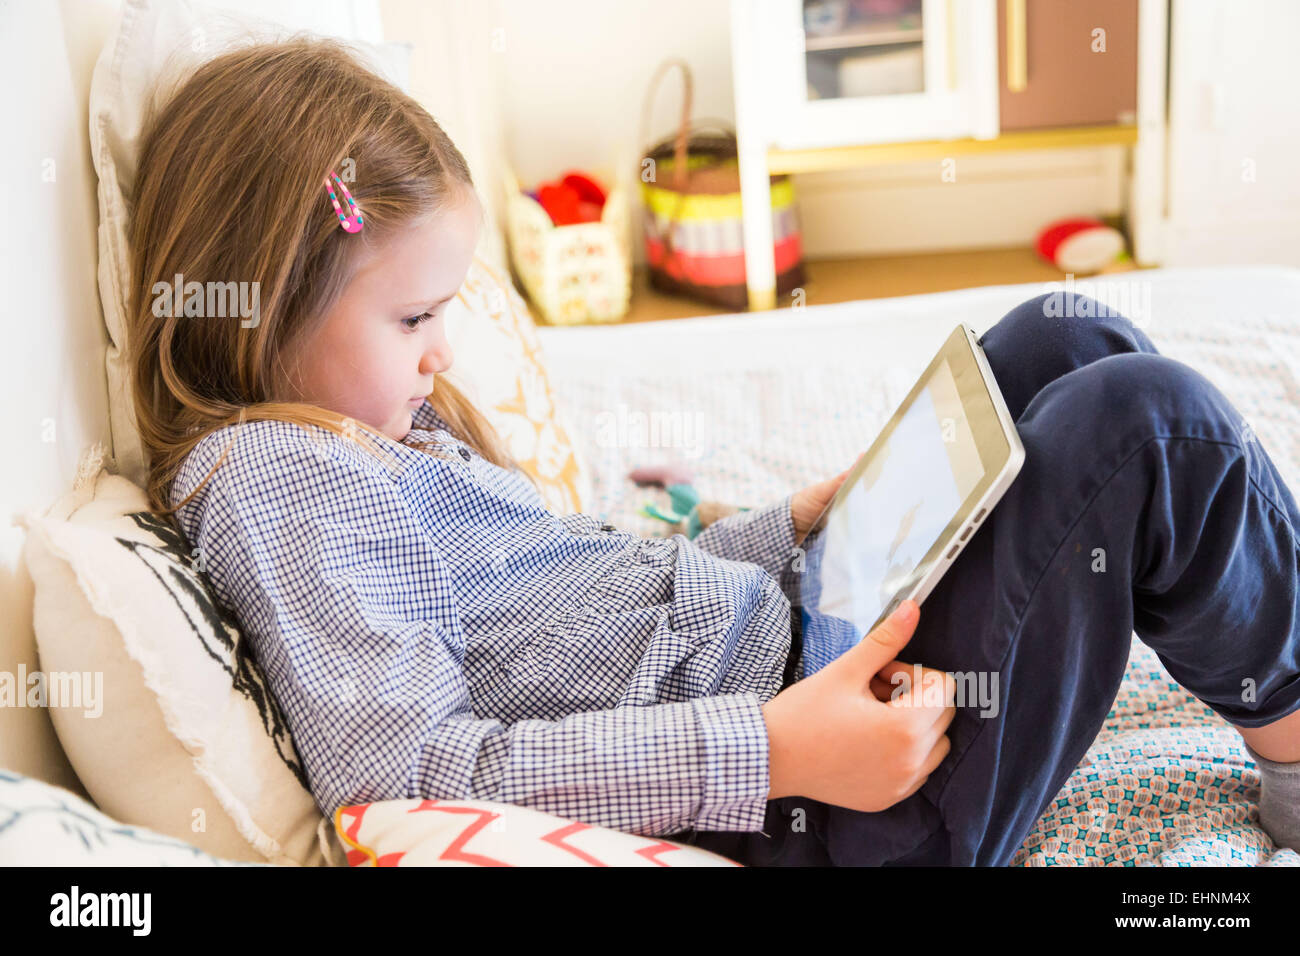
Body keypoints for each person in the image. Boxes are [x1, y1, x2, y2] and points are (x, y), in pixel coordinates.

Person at [127, 37, 1300, 867]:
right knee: (1148, 424)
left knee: (1063, 334)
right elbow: (419, 775)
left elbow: (593, 611)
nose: (442, 355)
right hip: (837, 804)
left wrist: (792, 521)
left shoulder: (375, 434)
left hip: (797, 651)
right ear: (261, 304)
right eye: (413, 318)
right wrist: (777, 748)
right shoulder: (281, 486)